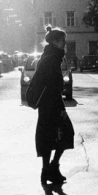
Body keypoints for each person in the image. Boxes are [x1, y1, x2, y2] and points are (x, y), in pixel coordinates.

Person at [34, 25, 75, 185]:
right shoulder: (51, 59)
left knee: (48, 137)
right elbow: (52, 86)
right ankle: (51, 168)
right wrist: (61, 109)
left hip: (47, 105)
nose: (65, 43)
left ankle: (48, 171)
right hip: (52, 105)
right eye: (63, 41)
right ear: (56, 41)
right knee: (66, 133)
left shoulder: (49, 57)